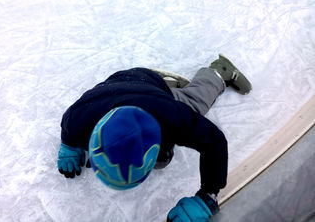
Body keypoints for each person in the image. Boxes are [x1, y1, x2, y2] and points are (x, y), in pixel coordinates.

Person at [57, 54, 252, 222]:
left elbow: (214, 141)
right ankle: (168, 86)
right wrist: (69, 146)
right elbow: (68, 125)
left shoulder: (173, 118)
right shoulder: (79, 119)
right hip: (117, 83)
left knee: (194, 102)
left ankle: (219, 71)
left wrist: (208, 195)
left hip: (151, 85)